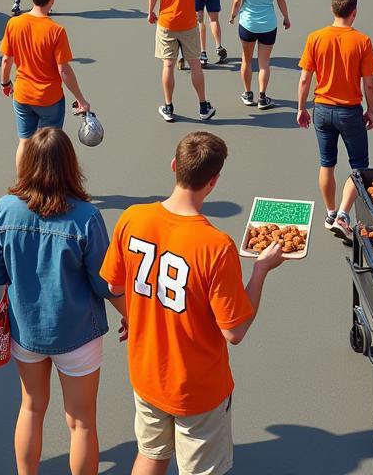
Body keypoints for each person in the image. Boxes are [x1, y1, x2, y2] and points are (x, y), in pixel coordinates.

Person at [101, 132, 284, 475]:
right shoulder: (217, 246)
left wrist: (136, 315)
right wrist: (260, 271)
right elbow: (235, 330)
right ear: (213, 182)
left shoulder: (132, 218)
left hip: (147, 374)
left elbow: (113, 283)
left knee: (151, 455)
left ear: (174, 166)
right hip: (197, 388)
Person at [0, 128, 125, 475]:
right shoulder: (86, 217)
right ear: (69, 165)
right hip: (77, 334)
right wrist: (131, 313)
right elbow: (104, 283)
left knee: (31, 407)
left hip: (26, 331)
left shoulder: (4, 210)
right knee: (81, 423)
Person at [297, 0, 373, 241]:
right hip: (349, 111)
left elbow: (304, 79)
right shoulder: (362, 41)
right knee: (359, 166)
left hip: (321, 109)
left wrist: (301, 108)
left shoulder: (315, 38)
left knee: (327, 163)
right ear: (354, 12)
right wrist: (371, 110)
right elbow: (370, 84)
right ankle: (344, 214)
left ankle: (330, 212)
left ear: (333, 10)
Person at [1, 0, 90, 172]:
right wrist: (81, 100)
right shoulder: (56, 31)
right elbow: (64, 70)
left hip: (22, 95)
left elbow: (7, 59)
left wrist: (6, 84)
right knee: (48, 147)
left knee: (24, 142)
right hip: (49, 99)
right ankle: (46, 185)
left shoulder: (14, 24)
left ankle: (22, 184)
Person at [149, 0, 214, 123]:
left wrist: (150, 11)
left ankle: (168, 107)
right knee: (195, 64)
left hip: (167, 21)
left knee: (168, 64)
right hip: (188, 21)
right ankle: (203, 106)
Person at [229, 0, 290, 110]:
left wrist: (233, 16)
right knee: (264, 64)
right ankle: (262, 97)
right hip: (268, 25)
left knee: (246, 61)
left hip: (248, 25)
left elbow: (237, 1)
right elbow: (281, 0)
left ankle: (248, 94)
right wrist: (286, 17)